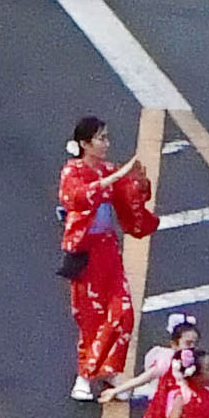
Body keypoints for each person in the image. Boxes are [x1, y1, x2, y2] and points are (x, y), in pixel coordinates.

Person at [58, 119, 154, 403]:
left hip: (108, 250)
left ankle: (110, 368)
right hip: (85, 251)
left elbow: (131, 195)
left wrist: (139, 181)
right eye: (100, 139)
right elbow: (74, 197)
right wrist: (112, 180)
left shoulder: (108, 169)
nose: (106, 143)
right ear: (85, 144)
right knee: (90, 316)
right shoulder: (72, 170)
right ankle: (85, 375)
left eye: (106, 138)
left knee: (122, 312)